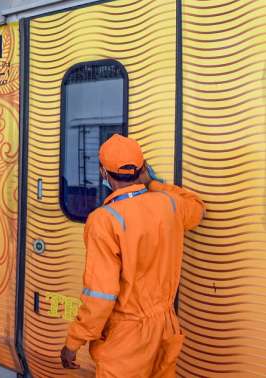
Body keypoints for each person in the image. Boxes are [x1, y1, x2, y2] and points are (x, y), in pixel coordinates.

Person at [60, 134, 205, 377]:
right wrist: (154, 184)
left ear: (104, 174)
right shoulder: (170, 204)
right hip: (165, 328)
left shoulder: (104, 220)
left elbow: (100, 295)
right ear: (142, 168)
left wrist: (73, 342)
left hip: (126, 340)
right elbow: (197, 208)